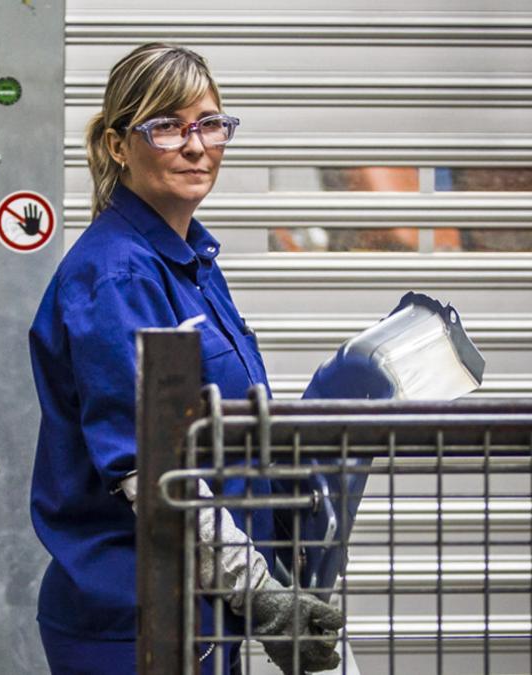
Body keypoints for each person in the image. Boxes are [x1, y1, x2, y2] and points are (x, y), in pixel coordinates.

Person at [28, 43, 344, 674]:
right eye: (167, 125)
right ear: (119, 145)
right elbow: (149, 472)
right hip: (136, 619)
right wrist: (259, 593)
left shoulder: (190, 263)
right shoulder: (116, 277)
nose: (196, 145)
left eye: (210, 123)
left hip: (197, 607)